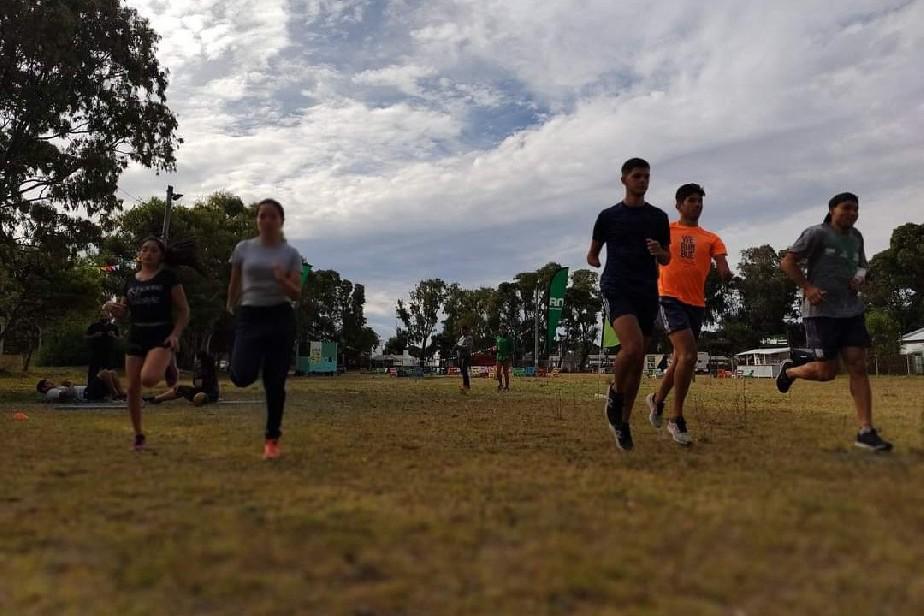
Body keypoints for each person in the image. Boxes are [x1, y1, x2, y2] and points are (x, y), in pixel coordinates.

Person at [777, 192, 892, 451]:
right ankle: (790, 371)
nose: (852, 213)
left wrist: (859, 278)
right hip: (821, 313)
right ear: (832, 210)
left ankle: (866, 431)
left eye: (856, 209)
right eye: (846, 208)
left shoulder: (856, 237)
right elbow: (787, 262)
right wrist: (808, 288)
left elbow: (863, 265)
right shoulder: (816, 234)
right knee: (826, 373)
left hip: (851, 310)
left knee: (858, 366)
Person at [587, 157, 670, 451]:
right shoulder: (608, 217)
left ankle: (622, 423)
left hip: (647, 291)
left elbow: (667, 258)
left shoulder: (658, 218)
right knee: (632, 348)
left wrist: (659, 251)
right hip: (617, 287)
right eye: (637, 176)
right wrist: (594, 260)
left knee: (637, 364)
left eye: (646, 176)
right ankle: (615, 394)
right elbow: (592, 254)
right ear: (624, 179)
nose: (643, 181)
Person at [645, 184, 733, 445]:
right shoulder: (666, 230)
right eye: (691, 200)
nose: (697, 205)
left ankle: (657, 400)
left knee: (679, 360)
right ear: (679, 205)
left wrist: (726, 273)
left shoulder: (711, 238)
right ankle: (676, 418)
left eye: (699, 201)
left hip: (696, 303)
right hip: (668, 298)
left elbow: (722, 263)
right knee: (689, 355)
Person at [226, 199, 302, 460]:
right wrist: (230, 305)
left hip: (280, 317)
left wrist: (282, 280)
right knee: (242, 376)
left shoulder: (290, 254)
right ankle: (250, 359)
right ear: (257, 220)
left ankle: (272, 439)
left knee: (275, 382)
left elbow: (296, 293)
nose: (267, 220)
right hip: (251, 315)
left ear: (281, 221)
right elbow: (235, 282)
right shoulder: (243, 249)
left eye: (272, 216)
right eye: (262, 216)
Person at [104, 236, 193, 451]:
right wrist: (111, 307)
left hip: (161, 335)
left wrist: (175, 335)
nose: (148, 253)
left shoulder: (168, 278)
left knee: (149, 379)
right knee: (133, 387)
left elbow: (183, 310)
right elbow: (123, 314)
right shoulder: (130, 281)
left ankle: (170, 362)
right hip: (136, 335)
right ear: (139, 254)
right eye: (144, 249)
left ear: (161, 255)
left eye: (153, 250)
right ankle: (139, 435)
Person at [146, 351, 220, 406]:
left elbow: (198, 385)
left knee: (181, 390)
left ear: (200, 360)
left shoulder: (203, 371)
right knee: (180, 389)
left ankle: (156, 399)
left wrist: (196, 375)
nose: (195, 361)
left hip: (206, 395)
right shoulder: (208, 370)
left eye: (196, 359)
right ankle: (157, 399)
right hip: (210, 394)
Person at [37, 369, 125, 402]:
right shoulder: (51, 392)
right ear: (44, 388)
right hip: (86, 394)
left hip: (89, 391)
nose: (51, 382)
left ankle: (121, 394)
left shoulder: (55, 388)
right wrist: (71, 384)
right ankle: (115, 394)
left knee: (112, 373)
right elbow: (68, 394)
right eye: (48, 383)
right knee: (104, 373)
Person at [85, 312, 120, 384]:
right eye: (101, 316)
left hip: (109, 352)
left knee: (109, 371)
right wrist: (94, 335)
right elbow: (85, 336)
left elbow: (119, 337)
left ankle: (109, 387)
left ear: (109, 317)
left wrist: (113, 336)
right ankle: (91, 386)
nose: (103, 317)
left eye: (105, 316)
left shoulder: (113, 327)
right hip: (96, 351)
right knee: (93, 370)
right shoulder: (94, 326)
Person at [495, 326, 513, 391]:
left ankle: (507, 386)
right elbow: (497, 346)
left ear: (506, 330)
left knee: (505, 372)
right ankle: (500, 384)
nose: (502, 330)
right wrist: (496, 349)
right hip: (499, 357)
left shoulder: (509, 338)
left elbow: (512, 348)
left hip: (506, 357)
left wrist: (509, 356)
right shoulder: (498, 337)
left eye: (503, 329)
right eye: (501, 329)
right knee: (498, 372)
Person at [457, 326, 473, 392]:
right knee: (463, 371)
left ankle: (465, 385)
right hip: (460, 357)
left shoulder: (469, 338)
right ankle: (467, 385)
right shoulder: (461, 338)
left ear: (466, 330)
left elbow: (468, 347)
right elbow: (457, 347)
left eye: (463, 330)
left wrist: (460, 347)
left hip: (466, 356)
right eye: (461, 330)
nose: (462, 332)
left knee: (464, 370)